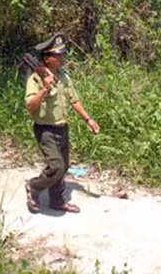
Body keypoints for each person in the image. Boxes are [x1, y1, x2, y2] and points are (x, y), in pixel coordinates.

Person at [24, 33, 100, 214]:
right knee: (56, 166)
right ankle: (33, 187)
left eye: (62, 54)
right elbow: (30, 106)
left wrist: (88, 119)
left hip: (62, 127)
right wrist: (45, 88)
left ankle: (57, 200)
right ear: (47, 58)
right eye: (58, 55)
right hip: (45, 129)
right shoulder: (36, 78)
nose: (62, 58)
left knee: (63, 167)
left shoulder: (64, 76)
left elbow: (74, 100)